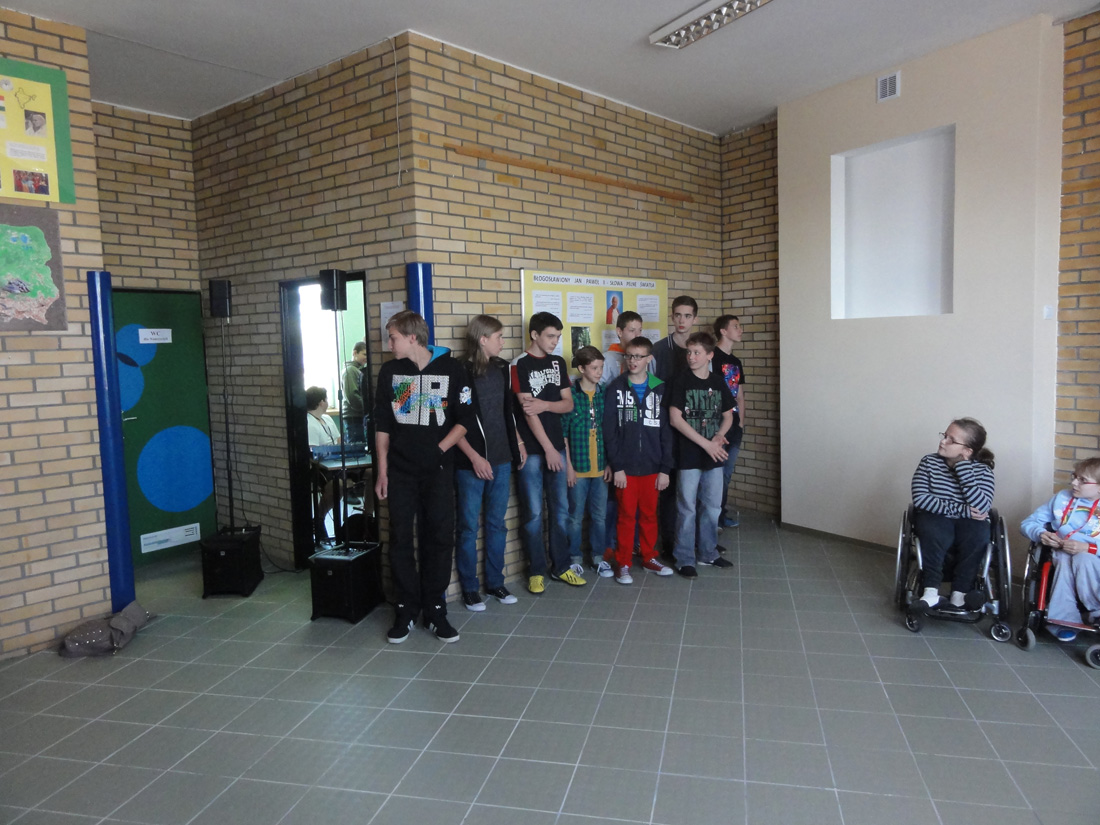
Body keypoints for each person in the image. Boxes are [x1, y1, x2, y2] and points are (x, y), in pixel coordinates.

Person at [374, 310, 472, 644]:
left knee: (439, 536)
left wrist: (438, 450)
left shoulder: (452, 369)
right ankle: (405, 609)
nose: (389, 344)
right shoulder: (390, 372)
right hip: (400, 471)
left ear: (412, 337)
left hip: (438, 470)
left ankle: (435, 609)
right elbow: (383, 425)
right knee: (400, 537)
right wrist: (382, 471)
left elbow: (464, 419)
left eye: (393, 337)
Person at [511, 311, 587, 593]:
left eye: (558, 336)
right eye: (551, 336)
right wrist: (548, 450)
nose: (556, 341)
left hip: (556, 445)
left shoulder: (558, 363)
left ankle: (561, 567)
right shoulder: (518, 364)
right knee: (532, 514)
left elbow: (568, 404)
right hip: (533, 451)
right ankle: (536, 571)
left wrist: (544, 405)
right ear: (534, 335)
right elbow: (527, 411)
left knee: (560, 511)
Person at [454, 315, 526, 612]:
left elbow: (508, 412)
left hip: (501, 458)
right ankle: (470, 589)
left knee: (497, 524)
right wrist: (474, 457)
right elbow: (454, 421)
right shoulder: (459, 370)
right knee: (468, 527)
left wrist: (517, 443)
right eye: (498, 337)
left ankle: (495, 582)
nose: (503, 342)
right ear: (482, 339)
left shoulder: (502, 368)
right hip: (470, 462)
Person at [603, 337, 674, 582]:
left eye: (638, 356)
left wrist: (665, 468)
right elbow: (609, 431)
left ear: (649, 359)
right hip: (626, 468)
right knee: (625, 516)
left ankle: (648, 557)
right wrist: (617, 466)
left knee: (649, 515)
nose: (633, 361)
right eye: (629, 356)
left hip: (653, 466)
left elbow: (667, 432)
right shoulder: (616, 387)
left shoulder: (660, 388)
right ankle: (623, 562)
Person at [668, 331, 735, 577]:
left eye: (697, 352)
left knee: (712, 507)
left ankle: (708, 553)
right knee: (687, 508)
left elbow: (728, 415)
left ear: (709, 355)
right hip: (689, 455)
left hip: (714, 455)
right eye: (689, 352)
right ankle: (684, 558)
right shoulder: (681, 380)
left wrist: (718, 437)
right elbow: (675, 419)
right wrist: (706, 444)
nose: (691, 357)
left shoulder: (717, 382)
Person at [910, 418, 996, 611]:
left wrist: (963, 470)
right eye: (944, 436)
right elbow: (921, 499)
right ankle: (930, 591)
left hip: (970, 523)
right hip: (935, 517)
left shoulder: (983, 471)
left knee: (978, 534)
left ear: (967, 451)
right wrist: (963, 510)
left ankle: (960, 594)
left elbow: (981, 507)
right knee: (934, 530)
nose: (943, 441)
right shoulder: (929, 462)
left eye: (951, 440)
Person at [1020, 457, 1100, 641]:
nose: (1074, 483)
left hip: (1094, 557)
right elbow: (1028, 523)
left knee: (1083, 558)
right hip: (1061, 552)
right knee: (1063, 560)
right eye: (1074, 476)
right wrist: (1041, 533)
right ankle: (1064, 618)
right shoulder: (1062, 498)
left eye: (1082, 480)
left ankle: (1096, 610)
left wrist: (1088, 547)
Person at [651, 295, 699, 556]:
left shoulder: (699, 349)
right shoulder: (659, 349)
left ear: (695, 318)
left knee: (694, 488)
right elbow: (650, 384)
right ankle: (670, 544)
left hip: (696, 429)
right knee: (669, 489)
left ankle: (695, 540)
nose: (682, 320)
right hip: (668, 427)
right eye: (678, 315)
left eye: (687, 315)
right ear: (672, 316)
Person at [563, 346, 611, 575]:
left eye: (601, 367)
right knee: (575, 516)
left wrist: (609, 463)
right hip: (578, 468)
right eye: (594, 368)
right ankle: (574, 557)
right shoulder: (571, 395)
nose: (599, 372)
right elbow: (563, 433)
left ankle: (598, 556)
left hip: (600, 467)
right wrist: (569, 467)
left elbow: (610, 432)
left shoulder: (604, 394)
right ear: (581, 369)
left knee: (599, 516)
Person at [712, 315, 747, 529]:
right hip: (717, 428)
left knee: (726, 474)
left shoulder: (736, 362)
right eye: (735, 326)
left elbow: (740, 395)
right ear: (723, 331)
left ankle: (721, 515)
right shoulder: (712, 357)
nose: (740, 330)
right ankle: (711, 519)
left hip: (734, 428)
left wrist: (740, 423)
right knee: (715, 475)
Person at [305, 386, 340, 542]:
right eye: (326, 399)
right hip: (321, 468)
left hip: (338, 462)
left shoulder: (328, 419)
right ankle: (319, 518)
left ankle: (367, 518)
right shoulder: (309, 422)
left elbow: (339, 441)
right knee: (338, 485)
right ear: (321, 402)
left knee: (369, 473)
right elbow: (312, 453)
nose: (327, 402)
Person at [341, 341, 368, 443]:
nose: (366, 357)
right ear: (355, 353)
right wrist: (367, 408)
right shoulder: (350, 370)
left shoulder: (357, 370)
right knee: (357, 447)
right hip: (354, 416)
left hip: (357, 415)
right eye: (364, 354)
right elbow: (352, 396)